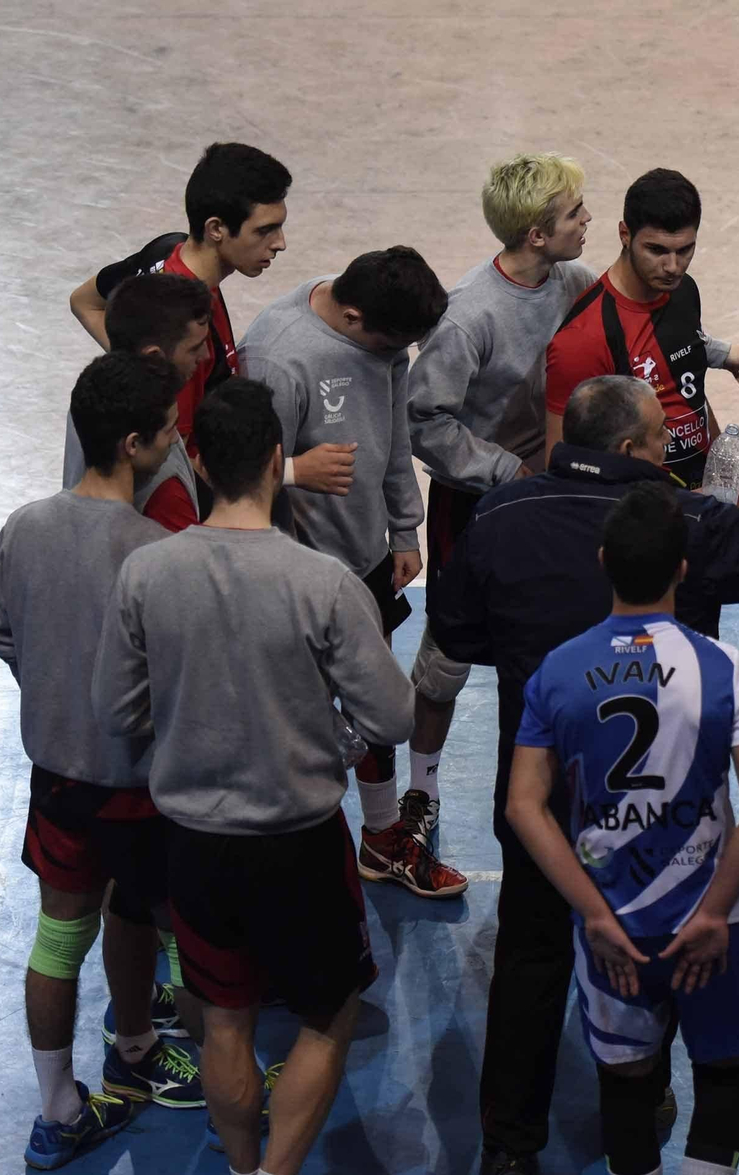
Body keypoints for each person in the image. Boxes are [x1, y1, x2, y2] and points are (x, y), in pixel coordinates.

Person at [430, 372, 739, 1173]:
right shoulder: (682, 523)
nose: (668, 450)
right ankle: (651, 1094)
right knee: (684, 950)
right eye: (658, 439)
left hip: (547, 802)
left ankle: (510, 1147)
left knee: (533, 952)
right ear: (626, 450)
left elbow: (457, 630)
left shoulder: (500, 515)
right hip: (666, 813)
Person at [91, 377, 415, 1175]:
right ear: (279, 460)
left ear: (196, 460)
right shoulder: (323, 582)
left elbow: (115, 711)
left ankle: (240, 1169)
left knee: (225, 1022)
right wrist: (329, 737)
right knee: (327, 1015)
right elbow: (394, 718)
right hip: (299, 842)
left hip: (194, 843)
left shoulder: (146, 573)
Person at [506, 483, 739, 1175]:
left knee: (627, 1078)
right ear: (683, 569)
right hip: (712, 919)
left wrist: (593, 914)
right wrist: (716, 911)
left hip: (617, 923)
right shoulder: (725, 668)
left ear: (603, 561)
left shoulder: (557, 672)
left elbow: (523, 806)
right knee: (724, 1066)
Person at [0, 352, 205, 1171]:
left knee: (58, 939)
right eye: (173, 431)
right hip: (146, 786)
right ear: (136, 443)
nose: (179, 444)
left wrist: (53, 687)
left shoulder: (23, 525)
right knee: (185, 936)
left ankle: (66, 1103)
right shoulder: (157, 552)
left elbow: (1, 631)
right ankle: (225, 1090)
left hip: (59, 783)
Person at [239, 246, 466, 898]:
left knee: (372, 708)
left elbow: (392, 433)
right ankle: (280, 863)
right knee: (289, 723)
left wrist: (403, 526)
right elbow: (234, 474)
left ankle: (380, 837)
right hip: (292, 578)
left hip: (364, 566)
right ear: (356, 311)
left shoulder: (384, 337)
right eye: (394, 344)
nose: (400, 357)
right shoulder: (280, 359)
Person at [405, 152, 596, 857]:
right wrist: (504, 469)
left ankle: (564, 787)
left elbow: (636, 329)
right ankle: (420, 793)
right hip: (478, 505)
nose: (588, 221)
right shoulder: (469, 318)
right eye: (575, 212)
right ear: (536, 234)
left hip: (551, 495)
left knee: (558, 646)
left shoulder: (570, 280)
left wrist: (726, 354)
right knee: (446, 662)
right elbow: (425, 421)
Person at [67, 142, 357, 499]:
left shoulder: (168, 248)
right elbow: (184, 465)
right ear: (216, 228)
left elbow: (84, 302)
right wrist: (293, 471)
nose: (280, 243)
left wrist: (132, 361)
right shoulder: (183, 341)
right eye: (265, 230)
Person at [544, 169, 739, 493]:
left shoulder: (684, 291)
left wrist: (729, 491)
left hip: (706, 498)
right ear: (624, 235)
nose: (674, 266)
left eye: (685, 250)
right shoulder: (582, 340)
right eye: (657, 250)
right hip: (644, 522)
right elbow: (563, 470)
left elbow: (691, 397)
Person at [62, 271, 214, 530]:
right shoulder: (166, 492)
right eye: (194, 347)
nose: (206, 355)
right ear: (155, 356)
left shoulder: (93, 397)